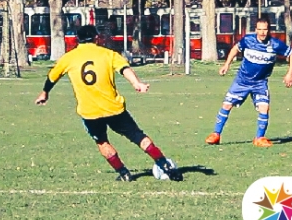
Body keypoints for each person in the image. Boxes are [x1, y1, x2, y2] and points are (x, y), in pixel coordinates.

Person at [35, 25, 182, 182]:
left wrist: (45, 92)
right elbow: (124, 68)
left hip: (90, 112)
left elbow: (52, 77)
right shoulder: (108, 54)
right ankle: (164, 165)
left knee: (102, 141)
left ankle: (124, 173)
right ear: (96, 38)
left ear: (78, 40)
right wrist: (137, 84)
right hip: (114, 108)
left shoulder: (69, 58)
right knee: (138, 136)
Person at [204, 16, 292, 148]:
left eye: (265, 30)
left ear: (268, 30)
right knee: (226, 105)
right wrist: (226, 65)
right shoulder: (248, 40)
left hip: (260, 83)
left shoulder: (275, 44)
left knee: (264, 108)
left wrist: (290, 73)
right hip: (242, 81)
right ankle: (216, 134)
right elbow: (236, 48)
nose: (262, 32)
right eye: (259, 29)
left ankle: (259, 138)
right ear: (255, 30)